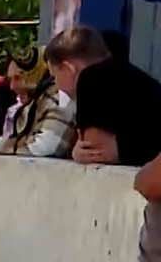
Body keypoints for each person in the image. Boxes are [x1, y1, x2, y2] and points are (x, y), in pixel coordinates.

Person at [50, 25, 161, 168]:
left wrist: (81, 151)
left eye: (54, 76)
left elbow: (95, 153)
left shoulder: (92, 77)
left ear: (68, 68)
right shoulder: (138, 80)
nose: (56, 85)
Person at [0, 47, 74, 159]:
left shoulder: (59, 97)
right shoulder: (31, 105)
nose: (12, 87)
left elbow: (46, 145)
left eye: (18, 78)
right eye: (10, 79)